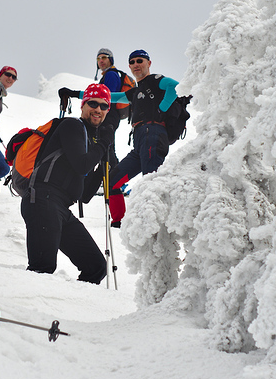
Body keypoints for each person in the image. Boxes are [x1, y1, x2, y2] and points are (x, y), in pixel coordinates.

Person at [59, 49, 179, 227]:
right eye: (132, 62)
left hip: (153, 134)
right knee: (112, 181)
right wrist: (76, 94)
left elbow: (173, 86)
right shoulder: (135, 91)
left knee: (151, 182)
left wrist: (162, 108)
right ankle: (119, 221)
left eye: (140, 61)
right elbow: (108, 97)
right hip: (140, 140)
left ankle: (158, 227)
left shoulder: (155, 80)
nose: (136, 65)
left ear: (149, 63)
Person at [21, 83, 113, 284]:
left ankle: (69, 309)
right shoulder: (71, 126)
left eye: (104, 106)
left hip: (61, 208)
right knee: (42, 268)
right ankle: (19, 310)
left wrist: (106, 161)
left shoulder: (89, 140)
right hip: (43, 200)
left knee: (96, 267)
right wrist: (104, 144)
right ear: (83, 105)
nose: (98, 109)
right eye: (93, 103)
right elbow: (81, 165)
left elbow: (85, 195)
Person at [78, 49, 134, 204]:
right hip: (109, 115)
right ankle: (114, 181)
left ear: (111, 60)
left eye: (104, 58)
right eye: (98, 58)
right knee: (108, 148)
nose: (101, 61)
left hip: (107, 116)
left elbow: (106, 97)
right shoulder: (109, 75)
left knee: (107, 148)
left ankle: (114, 181)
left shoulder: (110, 75)